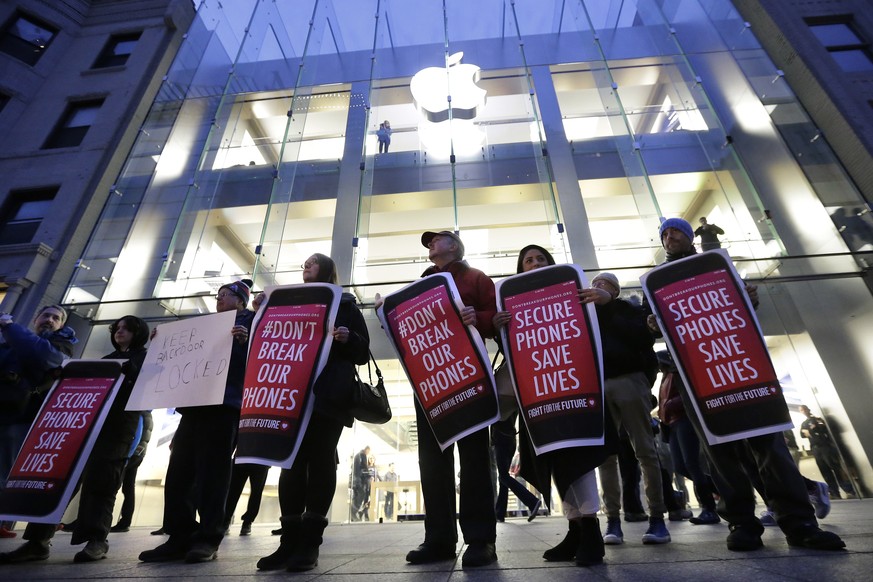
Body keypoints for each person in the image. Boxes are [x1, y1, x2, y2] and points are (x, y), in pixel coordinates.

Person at [647, 218, 844, 552]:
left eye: (675, 230)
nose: (669, 237)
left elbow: (740, 309)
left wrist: (748, 298)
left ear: (690, 235)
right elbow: (652, 327)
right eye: (664, 234)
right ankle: (742, 523)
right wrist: (651, 323)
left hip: (741, 368)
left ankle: (799, 523)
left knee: (769, 444)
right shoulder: (656, 283)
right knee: (720, 452)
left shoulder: (718, 267)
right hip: (697, 378)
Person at [493, 244, 616, 567]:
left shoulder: (574, 294)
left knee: (579, 457)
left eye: (541, 259)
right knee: (556, 462)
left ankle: (591, 530)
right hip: (538, 397)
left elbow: (605, 326)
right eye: (528, 260)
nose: (534, 264)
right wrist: (498, 324)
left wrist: (605, 300)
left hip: (574, 390)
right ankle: (575, 529)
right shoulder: (512, 303)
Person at [384, 230, 497, 568]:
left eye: (439, 239)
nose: (432, 244)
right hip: (430, 382)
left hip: (468, 376)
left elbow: (496, 316)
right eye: (429, 242)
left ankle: (480, 540)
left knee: (475, 459)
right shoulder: (419, 287)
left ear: (455, 246)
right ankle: (439, 538)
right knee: (432, 462)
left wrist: (478, 318)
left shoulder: (476, 277)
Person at [1, 315, 148, 564]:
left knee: (102, 483)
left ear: (139, 333)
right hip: (86, 426)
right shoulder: (107, 361)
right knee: (60, 482)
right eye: (117, 328)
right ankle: (37, 541)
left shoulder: (145, 359)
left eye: (127, 329)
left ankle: (97, 540)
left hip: (118, 429)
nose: (119, 332)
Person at [257, 253, 369, 572]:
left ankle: (310, 542)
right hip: (292, 391)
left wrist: (348, 338)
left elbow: (362, 352)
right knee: (289, 462)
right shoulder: (287, 304)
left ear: (327, 270)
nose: (304, 267)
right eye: (302, 264)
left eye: (311, 263)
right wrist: (260, 315)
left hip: (328, 396)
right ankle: (289, 541)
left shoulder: (344, 304)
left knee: (320, 459)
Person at [139, 279, 254, 563]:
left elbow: (261, 360)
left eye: (226, 295)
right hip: (194, 405)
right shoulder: (203, 327)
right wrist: (161, 343)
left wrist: (245, 341)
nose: (220, 299)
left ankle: (208, 537)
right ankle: (179, 536)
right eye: (219, 295)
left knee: (213, 475)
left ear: (240, 301)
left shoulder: (251, 323)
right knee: (180, 473)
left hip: (224, 406)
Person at [584, 271, 670, 547]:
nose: (598, 287)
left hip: (629, 380)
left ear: (616, 291)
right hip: (599, 384)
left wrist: (609, 305)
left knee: (644, 448)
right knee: (606, 456)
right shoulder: (585, 315)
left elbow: (642, 337)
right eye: (595, 284)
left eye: (605, 284)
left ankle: (657, 516)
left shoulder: (629, 310)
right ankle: (612, 519)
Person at [0, 305, 77, 541]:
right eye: (46, 315)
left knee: (7, 473)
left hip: (22, 418)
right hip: (6, 412)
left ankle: (3, 520)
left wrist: (9, 327)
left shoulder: (58, 346)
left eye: (56, 318)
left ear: (62, 325)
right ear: (35, 318)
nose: (50, 320)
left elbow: (43, 356)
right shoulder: (13, 342)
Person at [656, 350, 720, 525]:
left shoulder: (678, 374)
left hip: (685, 419)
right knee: (681, 467)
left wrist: (669, 405)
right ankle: (723, 488)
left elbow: (688, 395)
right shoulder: (666, 378)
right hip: (672, 423)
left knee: (691, 464)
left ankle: (709, 507)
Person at [491, 413, 542, 522]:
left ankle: (532, 501)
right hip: (511, 438)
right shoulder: (511, 400)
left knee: (504, 477)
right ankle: (499, 514)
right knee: (503, 477)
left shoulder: (500, 402)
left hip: (501, 439)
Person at [799, 405, 855, 499]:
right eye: (801, 410)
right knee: (825, 471)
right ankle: (834, 492)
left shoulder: (818, 419)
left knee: (836, 468)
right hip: (816, 450)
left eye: (804, 409)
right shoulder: (804, 423)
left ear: (808, 409)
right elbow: (802, 434)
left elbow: (821, 428)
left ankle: (848, 489)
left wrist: (811, 431)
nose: (803, 411)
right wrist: (811, 430)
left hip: (826, 447)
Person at [111, 410, 153, 533]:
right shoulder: (148, 415)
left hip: (132, 454)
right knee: (128, 488)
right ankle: (125, 521)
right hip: (138, 454)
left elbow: (138, 435)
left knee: (116, 486)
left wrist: (130, 454)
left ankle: (120, 522)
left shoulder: (141, 414)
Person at [222, 457, 269, 536]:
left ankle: (229, 521)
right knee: (254, 492)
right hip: (257, 459)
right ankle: (245, 522)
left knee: (234, 491)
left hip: (249, 458)